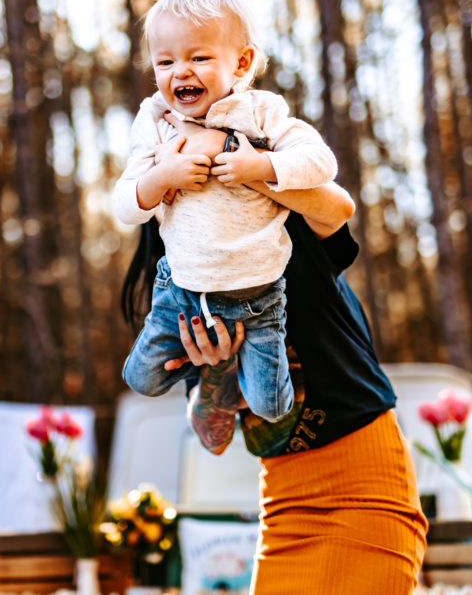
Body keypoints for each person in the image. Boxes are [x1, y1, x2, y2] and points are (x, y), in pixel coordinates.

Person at [120, 120, 427, 593]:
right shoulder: (180, 276)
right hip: (284, 498)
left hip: (364, 481)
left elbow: (339, 208)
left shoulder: (282, 215)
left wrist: (247, 169)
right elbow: (213, 436)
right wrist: (218, 367)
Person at [113, 0, 338, 422]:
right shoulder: (156, 121)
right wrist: (163, 176)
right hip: (181, 291)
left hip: (259, 296)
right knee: (140, 379)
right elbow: (125, 204)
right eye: (166, 61)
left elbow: (321, 162)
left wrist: (258, 166)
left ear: (241, 62)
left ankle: (260, 371)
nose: (180, 72)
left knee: (271, 408)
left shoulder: (261, 113)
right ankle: (213, 366)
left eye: (198, 58)